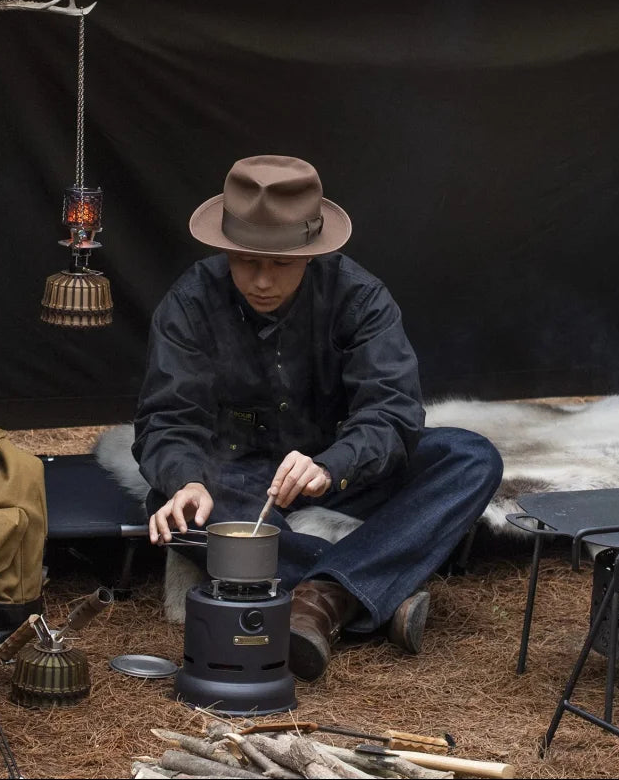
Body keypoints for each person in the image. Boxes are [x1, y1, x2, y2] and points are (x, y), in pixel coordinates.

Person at [133, 154, 503, 681]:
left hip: (340, 470)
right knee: (180, 512)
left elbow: (393, 413)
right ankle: (359, 596)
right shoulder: (190, 302)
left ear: (311, 253)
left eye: (281, 263)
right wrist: (185, 479)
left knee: (471, 457)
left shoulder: (360, 297)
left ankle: (322, 592)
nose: (261, 280)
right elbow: (166, 419)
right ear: (225, 248)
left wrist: (332, 464)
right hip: (236, 478)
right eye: (245, 260)